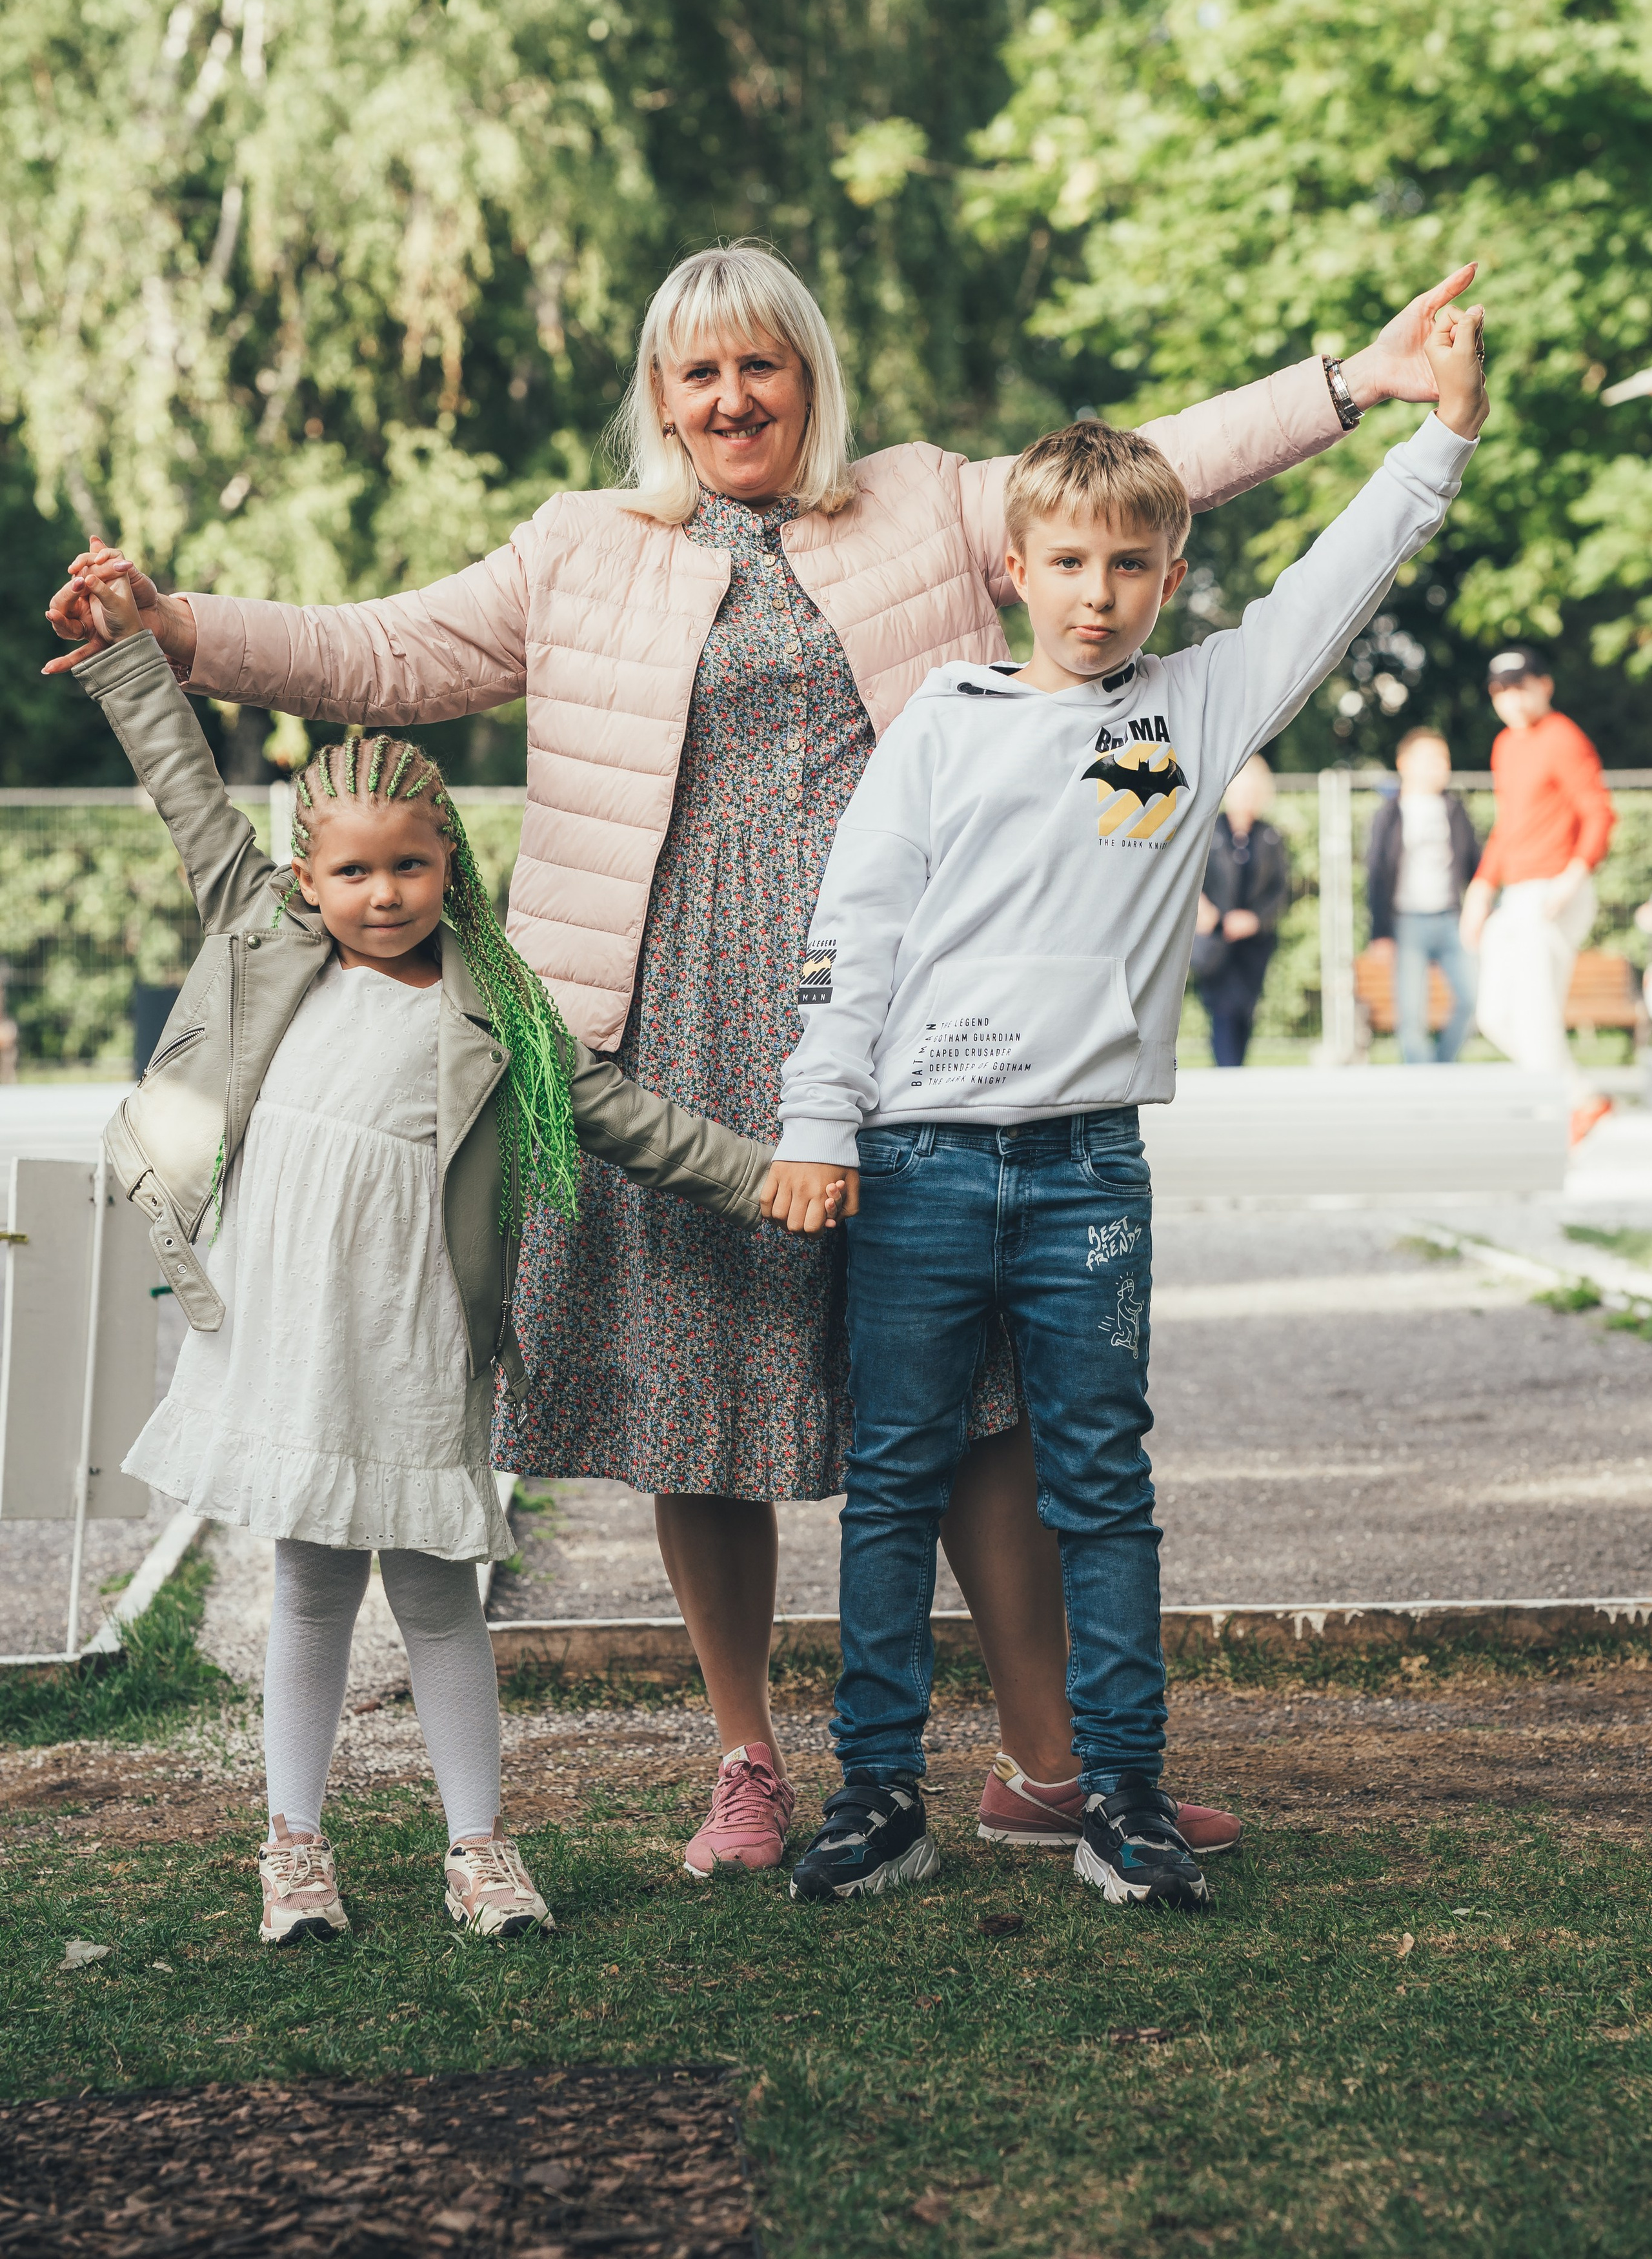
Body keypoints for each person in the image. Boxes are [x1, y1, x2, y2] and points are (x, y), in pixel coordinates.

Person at [46, 241, 1479, 1878]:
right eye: (696, 372)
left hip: (910, 1025)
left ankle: (1044, 1760)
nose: (731, 398)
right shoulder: (578, 549)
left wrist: (1351, 386)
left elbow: (1143, 472)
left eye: (761, 366)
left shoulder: (927, 503)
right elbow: (375, 654)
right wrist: (173, 627)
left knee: (977, 1403)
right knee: (695, 1401)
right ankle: (746, 1756)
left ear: (809, 374)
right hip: (667, 1020)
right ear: (659, 396)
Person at [766, 298, 1487, 1908]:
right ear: (1010, 570)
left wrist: (1433, 437)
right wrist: (819, 1123)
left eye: (1129, 568)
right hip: (914, 1162)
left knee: (1102, 1484)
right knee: (890, 1479)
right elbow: (852, 933)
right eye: (1067, 565)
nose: (1095, 598)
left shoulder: (1187, 710)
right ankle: (875, 1795)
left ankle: (1122, 1798)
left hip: (1089, 1173)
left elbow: (1328, 589)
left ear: (1166, 576)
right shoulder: (939, 728)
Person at [54, 568, 792, 1945]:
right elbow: (184, 790)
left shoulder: (499, 1007)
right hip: (290, 1327)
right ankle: (294, 1844)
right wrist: (128, 662)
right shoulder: (261, 939)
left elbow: (622, 1119)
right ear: (302, 876)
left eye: (409, 865)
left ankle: (478, 1846)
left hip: (416, 1334)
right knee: (310, 1582)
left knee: (440, 1594)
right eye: (350, 870)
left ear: (451, 860)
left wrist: (769, 1180)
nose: (381, 894)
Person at [1458, 646, 1617, 1144]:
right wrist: (1481, 889)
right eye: (1502, 690)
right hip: (1516, 893)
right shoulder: (1506, 745)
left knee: (1534, 1012)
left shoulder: (1563, 737)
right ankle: (1582, 1099)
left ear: (1544, 685)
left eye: (1521, 685)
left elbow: (1598, 811)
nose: (1512, 697)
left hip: (1553, 890)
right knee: (1495, 1015)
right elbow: (1509, 827)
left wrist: (1573, 875)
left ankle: (1555, 1123)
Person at [1364, 727, 1480, 1063]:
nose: (1439, 766)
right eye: (1430, 759)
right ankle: (1420, 1082)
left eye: (1443, 759)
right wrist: (1380, 933)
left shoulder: (1455, 810)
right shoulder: (1388, 814)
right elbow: (1376, 874)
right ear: (1404, 763)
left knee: (1471, 1000)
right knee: (1411, 1015)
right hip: (1407, 923)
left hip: (1451, 920)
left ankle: (1440, 1073)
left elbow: (1475, 864)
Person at [1191, 756, 1289, 1065]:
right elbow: (1189, 879)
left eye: (1253, 790)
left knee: (1244, 1012)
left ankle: (1234, 1073)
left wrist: (1255, 920)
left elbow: (1280, 891)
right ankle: (1228, 1074)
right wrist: (1203, 910)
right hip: (1215, 942)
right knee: (1223, 1010)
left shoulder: (1270, 837)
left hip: (1253, 945)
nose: (1246, 797)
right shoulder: (1208, 832)